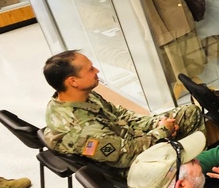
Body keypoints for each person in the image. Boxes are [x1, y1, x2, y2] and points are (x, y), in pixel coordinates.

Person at [42, 50, 205, 171]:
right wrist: (163, 131)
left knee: (189, 112)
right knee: (181, 130)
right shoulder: (82, 130)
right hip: (129, 168)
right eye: (90, 69)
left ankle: (192, 165)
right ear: (73, 81)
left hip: (127, 139)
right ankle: (191, 173)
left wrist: (156, 123)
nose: (97, 71)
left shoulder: (80, 96)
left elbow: (120, 115)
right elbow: (127, 156)